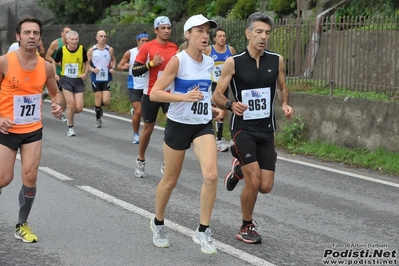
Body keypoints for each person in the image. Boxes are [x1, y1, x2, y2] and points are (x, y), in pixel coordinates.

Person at [212, 11, 293, 244]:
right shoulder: (233, 62)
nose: (263, 37)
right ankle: (246, 226)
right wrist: (230, 104)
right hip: (242, 129)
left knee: (266, 186)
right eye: (258, 32)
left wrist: (286, 103)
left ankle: (238, 169)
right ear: (248, 33)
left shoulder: (276, 60)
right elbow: (217, 94)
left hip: (266, 129)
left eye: (267, 33)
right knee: (254, 182)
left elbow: (282, 87)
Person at [149, 14, 221, 254]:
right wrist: (183, 97)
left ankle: (203, 230)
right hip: (178, 125)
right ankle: (158, 222)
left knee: (211, 175)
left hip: (201, 125)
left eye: (207, 31)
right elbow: (155, 94)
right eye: (199, 31)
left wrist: (212, 109)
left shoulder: (210, 62)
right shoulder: (178, 62)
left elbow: (203, 93)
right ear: (188, 35)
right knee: (170, 180)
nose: (204, 35)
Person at [0, 17, 63, 243]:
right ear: (18, 36)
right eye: (26, 33)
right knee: (3, 178)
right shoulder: (4, 62)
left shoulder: (46, 66)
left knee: (30, 175)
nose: (31, 36)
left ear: (39, 38)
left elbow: (55, 93)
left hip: (32, 129)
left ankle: (21, 224)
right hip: (6, 129)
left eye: (35, 33)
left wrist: (58, 105)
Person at [132, 16, 178, 177]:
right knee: (148, 129)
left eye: (169, 28)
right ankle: (140, 159)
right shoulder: (147, 47)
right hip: (151, 94)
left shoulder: (175, 48)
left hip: (168, 94)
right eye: (163, 28)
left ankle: (167, 161)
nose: (166, 31)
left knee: (173, 126)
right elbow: (135, 70)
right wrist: (151, 64)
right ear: (155, 30)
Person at [205, 28, 236, 152]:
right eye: (219, 36)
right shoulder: (209, 50)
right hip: (212, 85)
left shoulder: (231, 50)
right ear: (214, 38)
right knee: (216, 111)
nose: (222, 38)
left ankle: (220, 137)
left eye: (224, 36)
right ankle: (217, 139)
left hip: (225, 84)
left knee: (224, 111)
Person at [52, 30, 89, 137]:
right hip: (66, 79)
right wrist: (55, 74)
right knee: (71, 104)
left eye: (76, 39)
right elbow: (53, 63)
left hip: (78, 80)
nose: (74, 41)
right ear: (67, 40)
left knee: (79, 108)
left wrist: (85, 73)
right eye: (72, 39)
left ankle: (69, 112)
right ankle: (70, 128)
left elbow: (86, 63)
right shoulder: (61, 50)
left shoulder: (82, 50)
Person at [117, 31, 149, 143]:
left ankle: (135, 111)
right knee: (139, 111)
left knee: (145, 113)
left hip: (147, 86)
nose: (145, 43)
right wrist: (124, 67)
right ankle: (136, 134)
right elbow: (119, 66)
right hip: (134, 85)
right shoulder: (130, 52)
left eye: (146, 41)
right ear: (137, 41)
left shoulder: (151, 52)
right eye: (142, 41)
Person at [87, 30, 116, 128]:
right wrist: (92, 69)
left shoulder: (110, 49)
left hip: (106, 77)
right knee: (98, 98)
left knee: (106, 101)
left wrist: (112, 68)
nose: (103, 38)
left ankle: (97, 108)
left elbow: (113, 60)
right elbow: (86, 63)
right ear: (96, 37)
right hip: (96, 77)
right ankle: (98, 119)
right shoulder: (92, 50)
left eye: (105, 36)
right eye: (101, 36)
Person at [44, 26, 72, 123]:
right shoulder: (56, 43)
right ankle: (48, 92)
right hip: (56, 72)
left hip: (67, 73)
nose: (68, 34)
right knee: (59, 93)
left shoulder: (72, 44)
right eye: (67, 32)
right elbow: (47, 56)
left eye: (70, 32)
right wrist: (57, 62)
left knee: (64, 95)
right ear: (62, 33)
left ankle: (60, 112)